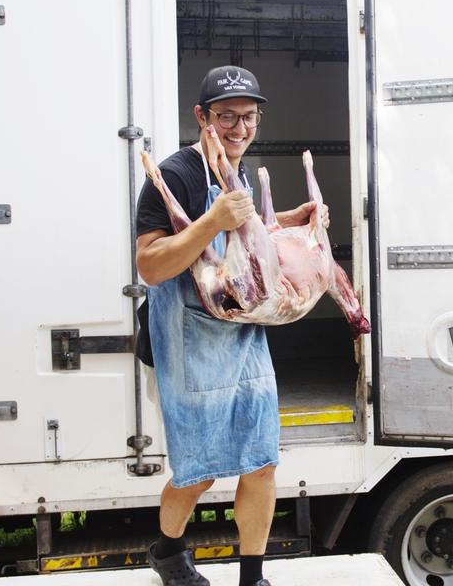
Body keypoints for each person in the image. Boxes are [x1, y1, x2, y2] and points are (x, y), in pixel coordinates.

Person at [134, 65, 327, 586]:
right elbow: (150, 265)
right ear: (202, 117)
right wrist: (211, 221)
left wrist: (287, 221)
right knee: (201, 470)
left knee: (261, 461)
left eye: (249, 117)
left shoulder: (235, 170)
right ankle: (168, 551)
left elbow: (241, 242)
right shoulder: (178, 175)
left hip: (241, 337)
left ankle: (252, 578)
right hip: (187, 343)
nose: (239, 128)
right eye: (226, 117)